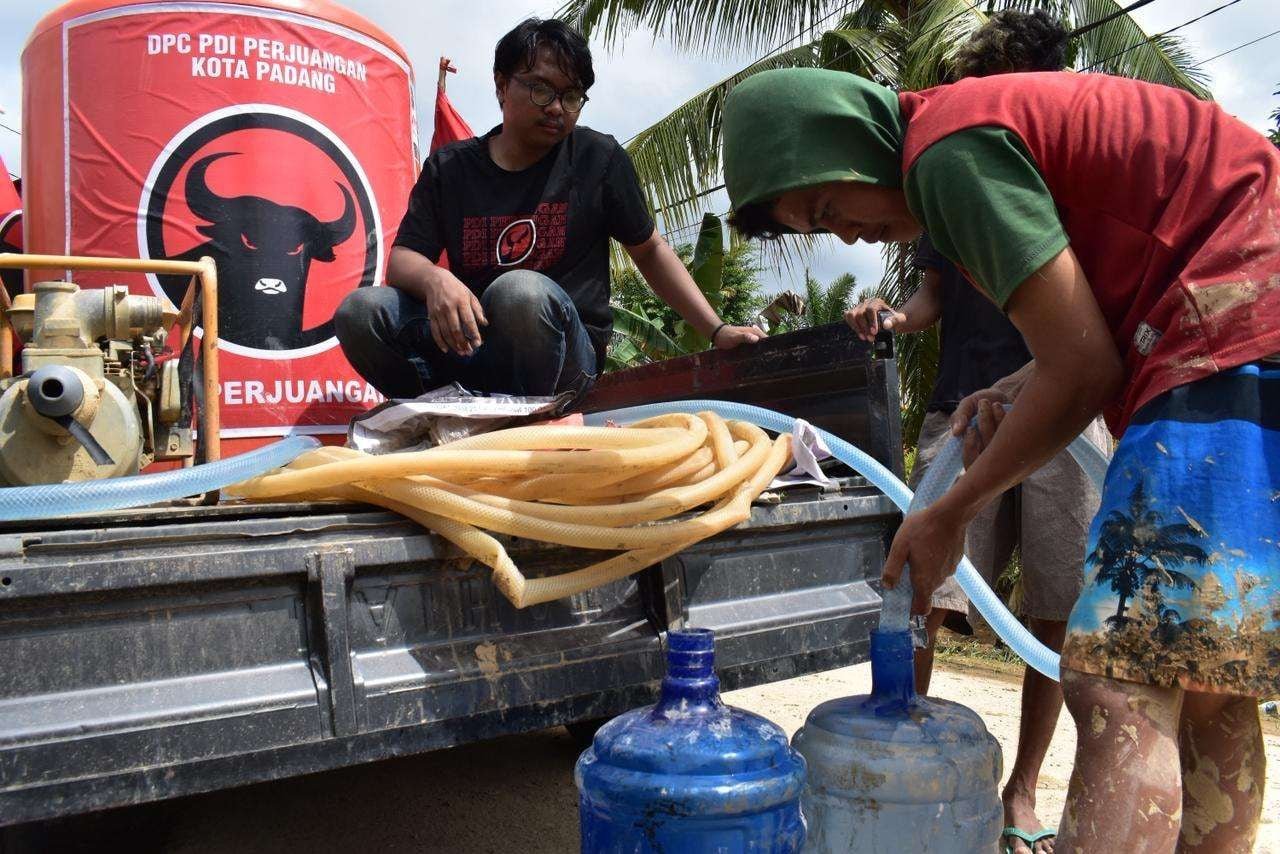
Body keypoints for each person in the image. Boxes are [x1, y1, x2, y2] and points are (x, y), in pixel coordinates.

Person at [720, 64, 1279, 852]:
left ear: (852, 139)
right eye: (820, 227)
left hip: (1226, 322)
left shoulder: (945, 150)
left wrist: (951, 510)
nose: (843, 231)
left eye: (826, 203)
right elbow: (1099, 323)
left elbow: (1085, 369)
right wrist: (1023, 378)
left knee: (1123, 682)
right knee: (1206, 679)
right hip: (1251, 317)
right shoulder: (973, 131)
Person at [845, 12, 1105, 853]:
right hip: (963, 403)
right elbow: (929, 301)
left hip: (1067, 408)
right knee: (922, 586)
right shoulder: (949, 177)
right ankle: (905, 752)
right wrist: (894, 316)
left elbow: (1092, 328)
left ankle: (1020, 791)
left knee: (1056, 609)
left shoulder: (1077, 173)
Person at [335, 18, 761, 400]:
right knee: (361, 313)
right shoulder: (451, 169)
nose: (557, 107)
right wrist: (434, 279)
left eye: (572, 95)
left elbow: (649, 250)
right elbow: (404, 259)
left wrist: (717, 330)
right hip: (474, 351)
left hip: (565, 363)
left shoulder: (598, 159)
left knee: (519, 293)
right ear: (501, 85)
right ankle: (435, 412)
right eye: (541, 89)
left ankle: (529, 425)